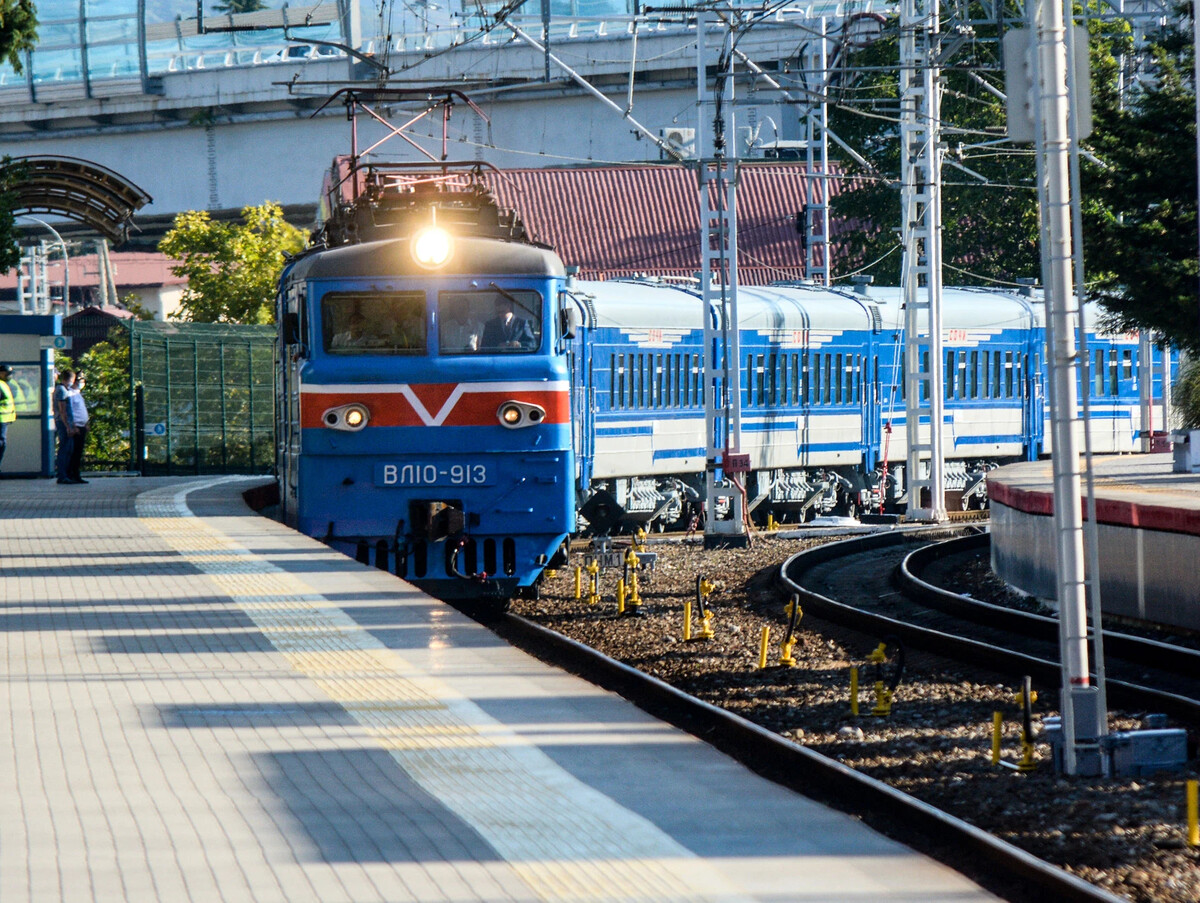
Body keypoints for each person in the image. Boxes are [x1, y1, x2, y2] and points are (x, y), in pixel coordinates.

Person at [53, 369, 77, 484]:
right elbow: (63, 410)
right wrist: (68, 426)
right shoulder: (62, 390)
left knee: (69, 449)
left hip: (64, 422)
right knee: (65, 449)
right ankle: (62, 475)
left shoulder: (60, 389)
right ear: (71, 379)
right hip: (63, 423)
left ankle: (65, 474)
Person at [67, 372, 90, 484]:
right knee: (74, 452)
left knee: (79, 452)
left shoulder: (78, 393)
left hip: (82, 426)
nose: (82, 383)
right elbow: (70, 411)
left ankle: (76, 473)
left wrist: (85, 423)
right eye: (81, 381)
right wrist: (73, 425)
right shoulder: (71, 394)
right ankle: (72, 474)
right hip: (76, 427)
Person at [0, 364, 16, 473]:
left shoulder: (4, 384)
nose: (8, 376)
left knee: (2, 443)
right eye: (6, 374)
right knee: (1, 443)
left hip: (4, 419)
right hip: (0, 419)